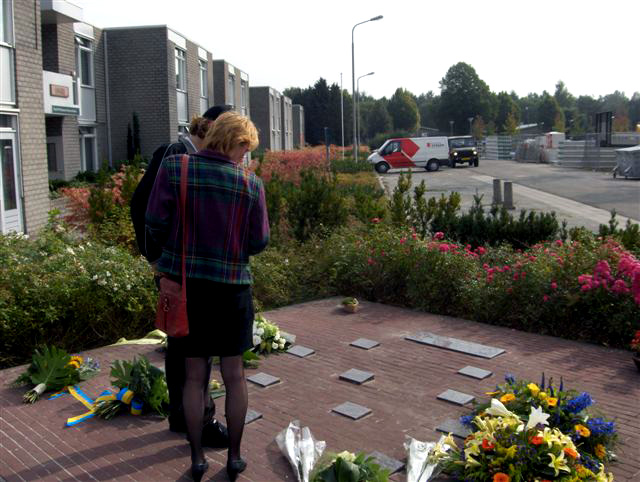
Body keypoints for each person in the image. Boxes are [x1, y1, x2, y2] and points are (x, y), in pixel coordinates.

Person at [145, 111, 269, 481]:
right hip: (233, 291)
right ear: (236, 142)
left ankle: (197, 458)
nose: (244, 157)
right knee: (234, 375)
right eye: (244, 149)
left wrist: (179, 247)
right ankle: (234, 457)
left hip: (189, 291)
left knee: (194, 376)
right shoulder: (251, 184)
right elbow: (259, 242)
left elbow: (154, 220)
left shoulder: (176, 168)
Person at [130, 105, 233, 449]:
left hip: (187, 272)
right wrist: (160, 259)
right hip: (180, 272)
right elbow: (143, 207)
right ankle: (196, 420)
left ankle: (184, 415)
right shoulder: (176, 154)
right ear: (213, 130)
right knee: (190, 349)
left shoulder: (192, 157)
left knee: (184, 345)